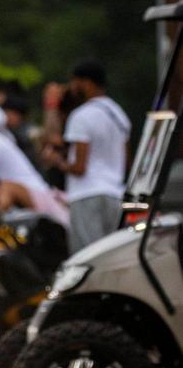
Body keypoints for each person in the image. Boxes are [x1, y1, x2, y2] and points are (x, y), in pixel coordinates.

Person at [42, 60, 131, 251]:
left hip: (87, 195)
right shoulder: (119, 115)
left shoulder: (82, 116)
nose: (72, 87)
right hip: (115, 193)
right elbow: (125, 161)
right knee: (112, 255)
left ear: (86, 82)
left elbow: (79, 167)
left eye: (74, 82)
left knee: (88, 257)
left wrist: (58, 161)